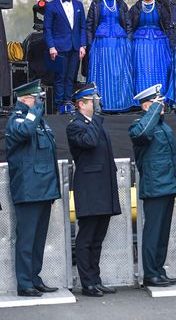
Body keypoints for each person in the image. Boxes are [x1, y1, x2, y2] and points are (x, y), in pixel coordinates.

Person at [5, 80, 61, 297]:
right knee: (27, 240)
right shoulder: (17, 120)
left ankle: (35, 278)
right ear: (25, 99)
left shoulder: (39, 122)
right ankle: (24, 283)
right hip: (28, 190)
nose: (39, 102)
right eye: (36, 99)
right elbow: (25, 132)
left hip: (44, 189)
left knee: (38, 240)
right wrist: (35, 110)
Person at [66, 83, 121, 296]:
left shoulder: (96, 123)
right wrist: (97, 118)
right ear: (81, 104)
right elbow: (88, 142)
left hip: (103, 188)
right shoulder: (75, 126)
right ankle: (87, 282)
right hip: (89, 190)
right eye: (92, 101)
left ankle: (95, 279)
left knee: (98, 239)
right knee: (86, 238)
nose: (96, 104)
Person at [129, 84, 176, 287]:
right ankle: (150, 273)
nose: (162, 106)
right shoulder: (139, 124)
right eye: (157, 103)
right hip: (155, 186)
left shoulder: (161, 125)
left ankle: (159, 270)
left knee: (162, 233)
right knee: (152, 233)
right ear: (146, 106)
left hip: (167, 184)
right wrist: (152, 111)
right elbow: (142, 134)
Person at [86, 0, 134, 112]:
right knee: (102, 72)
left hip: (120, 42)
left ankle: (121, 104)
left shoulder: (121, 3)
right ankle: (102, 104)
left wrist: (129, 41)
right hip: (101, 43)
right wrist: (90, 44)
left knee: (120, 72)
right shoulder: (96, 3)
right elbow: (89, 24)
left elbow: (128, 24)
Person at [43, 0, 86, 114]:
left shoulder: (79, 5)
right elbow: (47, 28)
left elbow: (83, 28)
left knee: (71, 77)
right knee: (59, 77)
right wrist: (51, 46)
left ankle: (68, 104)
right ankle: (58, 106)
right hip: (58, 48)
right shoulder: (51, 6)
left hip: (75, 47)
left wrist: (83, 46)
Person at [129, 0, 173, 96]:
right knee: (142, 68)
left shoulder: (161, 7)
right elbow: (129, 25)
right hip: (140, 42)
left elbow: (167, 25)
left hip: (159, 42)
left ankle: (160, 96)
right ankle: (142, 97)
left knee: (160, 68)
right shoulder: (135, 8)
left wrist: (170, 40)